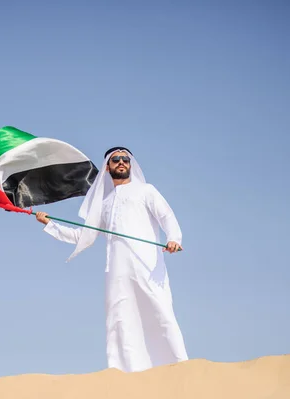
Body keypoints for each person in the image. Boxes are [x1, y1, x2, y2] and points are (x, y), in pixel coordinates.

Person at [35, 147, 188, 372]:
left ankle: (181, 366)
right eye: (116, 159)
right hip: (117, 271)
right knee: (120, 320)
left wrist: (174, 238)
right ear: (108, 166)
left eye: (126, 159)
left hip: (147, 265)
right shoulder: (104, 203)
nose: (121, 162)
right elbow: (83, 236)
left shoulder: (146, 191)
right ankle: (124, 373)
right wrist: (50, 224)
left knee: (161, 311)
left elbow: (167, 216)